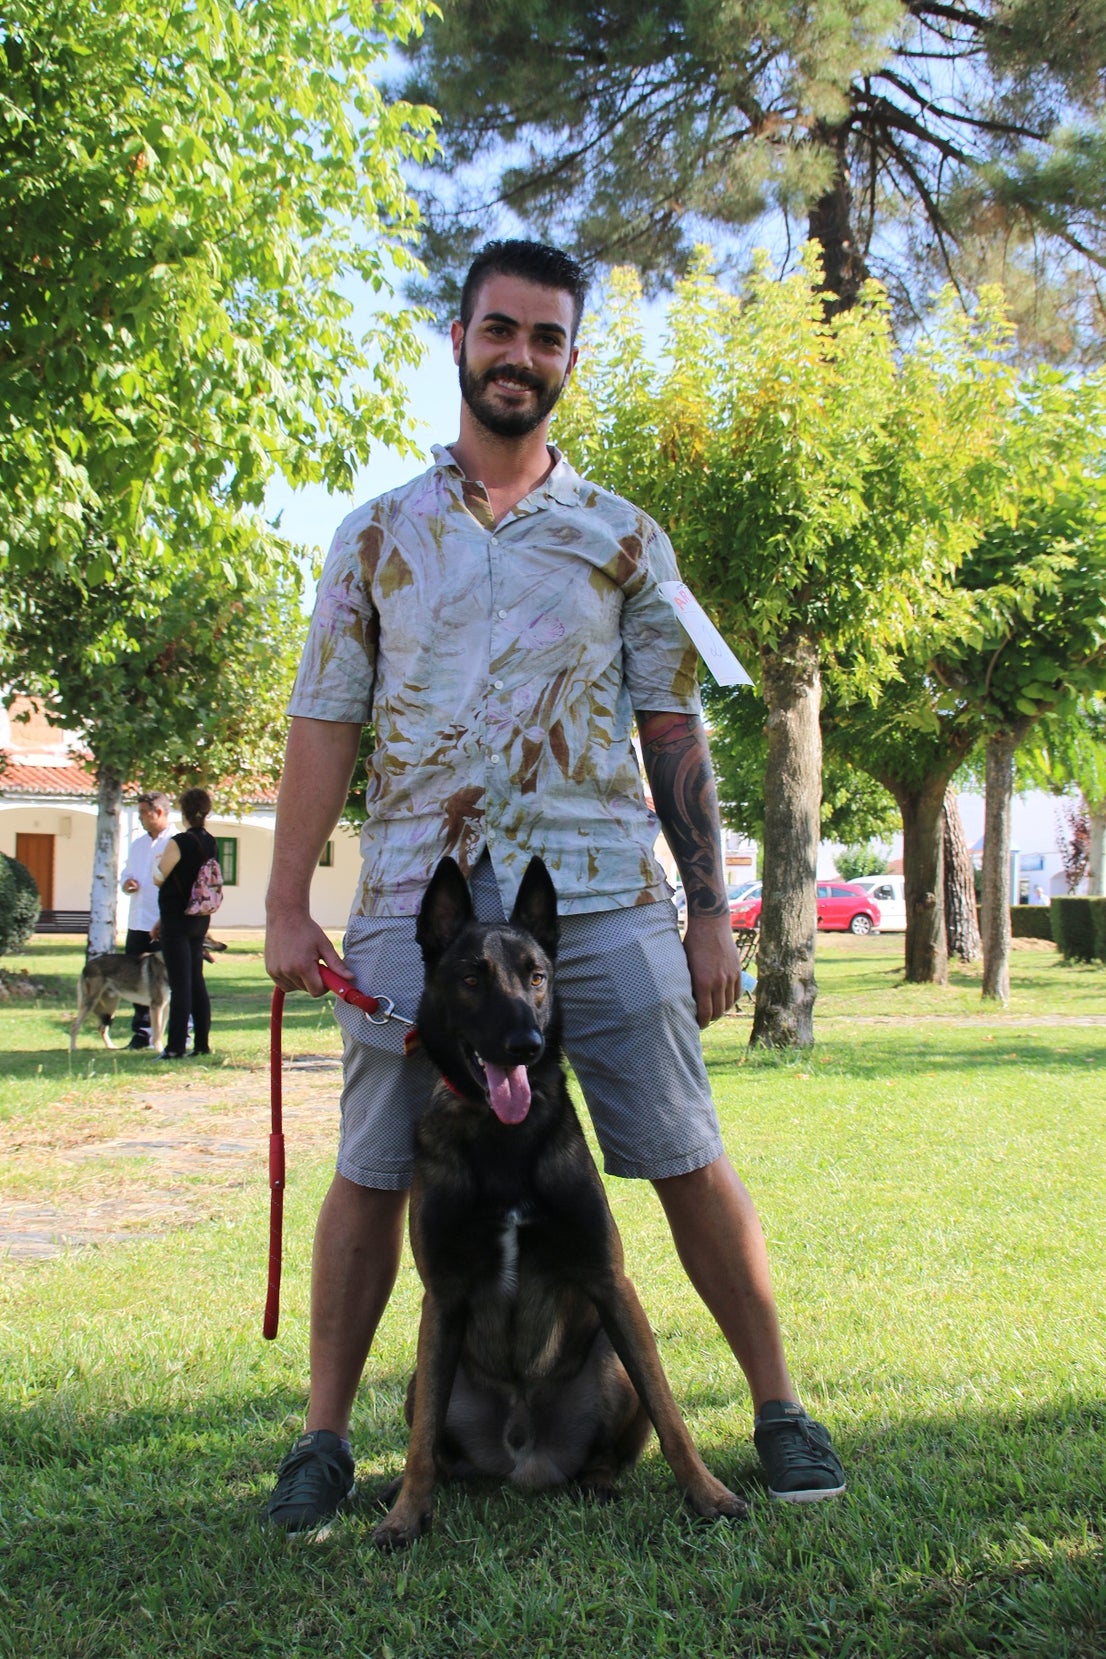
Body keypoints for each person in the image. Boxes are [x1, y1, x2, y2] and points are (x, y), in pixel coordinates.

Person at [263, 239, 845, 1530]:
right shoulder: (374, 535)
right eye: (499, 329)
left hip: (599, 892)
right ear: (459, 337)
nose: (519, 354)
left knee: (680, 1152)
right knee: (371, 1166)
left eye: (545, 337)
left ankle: (778, 1409)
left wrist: (705, 907)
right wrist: (290, 898)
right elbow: (324, 717)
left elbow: (671, 724)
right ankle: (320, 1439)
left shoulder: (624, 536)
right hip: (419, 899)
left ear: (568, 359)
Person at [153, 787, 217, 1060]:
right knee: (196, 981)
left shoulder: (179, 841)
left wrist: (158, 864)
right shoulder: (211, 841)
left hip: (176, 919)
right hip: (199, 918)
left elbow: (160, 876)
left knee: (179, 984)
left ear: (183, 811)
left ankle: (176, 1046)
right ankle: (201, 1043)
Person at [111, 790, 172, 1049]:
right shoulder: (137, 844)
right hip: (137, 922)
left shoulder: (174, 842)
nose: (140, 820)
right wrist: (128, 884)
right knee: (136, 978)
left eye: (143, 814)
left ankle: (176, 1031)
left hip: (163, 923)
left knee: (167, 981)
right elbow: (127, 875)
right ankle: (141, 1032)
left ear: (158, 812)